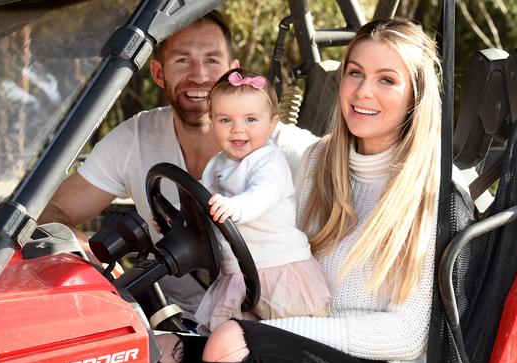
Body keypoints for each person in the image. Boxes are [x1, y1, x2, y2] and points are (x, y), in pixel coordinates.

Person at [157, 18, 441, 363]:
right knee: (160, 347)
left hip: (372, 357)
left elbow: (407, 337)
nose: (363, 91)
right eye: (355, 73)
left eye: (386, 79)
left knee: (229, 342)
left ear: (416, 94)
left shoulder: (431, 192)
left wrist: (280, 331)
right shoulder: (317, 162)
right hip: (299, 335)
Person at [38, 11, 317, 325]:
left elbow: (352, 174)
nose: (199, 75)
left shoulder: (278, 146)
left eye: (212, 60)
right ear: (158, 72)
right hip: (167, 320)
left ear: (232, 71)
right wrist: (91, 265)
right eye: (183, 60)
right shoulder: (136, 138)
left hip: (270, 322)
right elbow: (52, 210)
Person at [194, 68, 331, 333]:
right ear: (212, 122)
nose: (237, 129)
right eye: (225, 120)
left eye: (250, 119)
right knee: (229, 337)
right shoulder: (217, 164)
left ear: (271, 125)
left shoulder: (269, 160)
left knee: (289, 336)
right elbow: (198, 197)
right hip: (239, 272)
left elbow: (263, 194)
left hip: (280, 268)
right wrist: (175, 214)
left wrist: (235, 207)